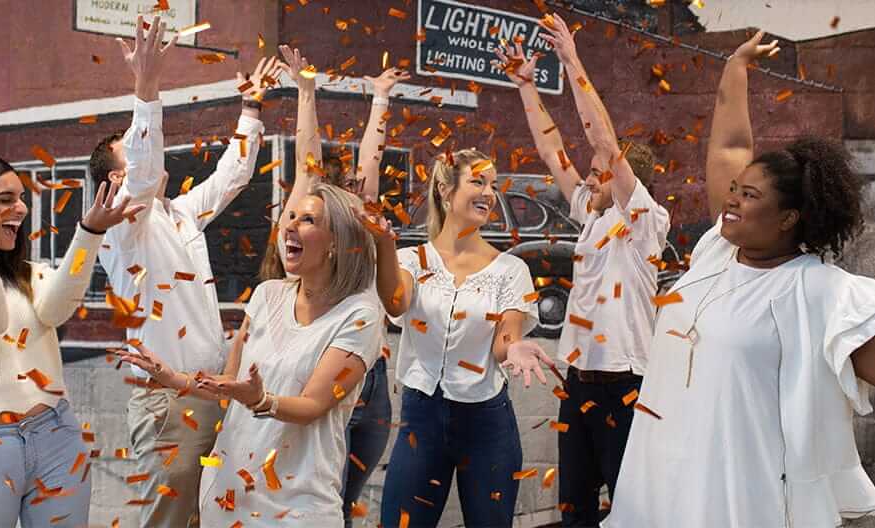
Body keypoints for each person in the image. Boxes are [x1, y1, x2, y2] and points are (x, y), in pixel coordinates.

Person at [604, 31, 875, 527]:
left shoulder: (820, 290)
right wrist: (735, 67)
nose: (731, 200)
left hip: (746, 503)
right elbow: (730, 145)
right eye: (735, 188)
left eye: (749, 195)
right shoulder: (716, 250)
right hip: (663, 485)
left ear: (790, 217)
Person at [88, 15, 280, 527]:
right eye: (133, 149)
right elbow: (145, 172)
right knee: (166, 520)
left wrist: (251, 106)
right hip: (165, 402)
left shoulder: (179, 213)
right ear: (114, 178)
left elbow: (234, 174)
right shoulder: (121, 225)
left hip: (207, 391)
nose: (149, 152)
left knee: (201, 517)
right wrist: (146, 87)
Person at [117, 183, 383, 527]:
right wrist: (174, 378)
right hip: (229, 494)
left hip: (299, 503)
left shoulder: (360, 315)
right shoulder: (266, 295)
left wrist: (262, 400)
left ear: (338, 242)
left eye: (308, 220)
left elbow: (313, 406)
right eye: (290, 217)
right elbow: (230, 386)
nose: (289, 226)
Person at [495, 13, 671, 524]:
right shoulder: (591, 216)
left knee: (629, 505)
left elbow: (604, 145)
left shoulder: (643, 222)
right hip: (579, 384)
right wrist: (526, 87)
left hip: (625, 384)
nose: (587, 178)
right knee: (574, 507)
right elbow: (553, 152)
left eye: (599, 173)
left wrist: (571, 61)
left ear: (621, 179)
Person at [0, 153, 139, 527]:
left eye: (21, 198)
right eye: (5, 200)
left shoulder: (32, 275)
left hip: (56, 436)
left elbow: (56, 310)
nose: (20, 208)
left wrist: (91, 231)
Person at [362, 147, 547, 528]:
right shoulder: (413, 260)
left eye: (493, 185)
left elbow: (503, 340)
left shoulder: (511, 270)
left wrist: (516, 346)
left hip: (487, 424)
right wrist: (383, 244)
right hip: (421, 419)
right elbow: (396, 304)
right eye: (478, 181)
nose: (488, 193)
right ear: (446, 190)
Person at [269, 45, 410, 526]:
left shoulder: (362, 224)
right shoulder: (304, 221)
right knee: (301, 493)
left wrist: (381, 99)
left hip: (366, 381)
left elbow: (370, 163)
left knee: (341, 502)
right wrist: (305, 92)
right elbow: (307, 164)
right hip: (307, 369)